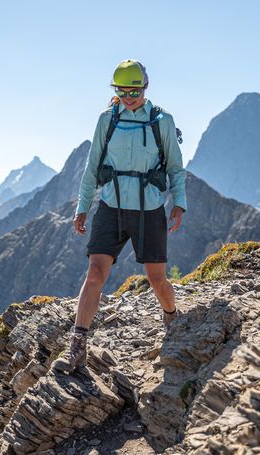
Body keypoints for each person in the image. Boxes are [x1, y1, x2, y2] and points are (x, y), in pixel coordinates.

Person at [53, 59, 187, 374]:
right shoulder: (107, 120)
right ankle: (77, 347)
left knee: (157, 279)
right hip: (110, 207)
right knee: (95, 274)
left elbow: (175, 168)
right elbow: (92, 164)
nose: (128, 96)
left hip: (149, 210)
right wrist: (82, 206)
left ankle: (171, 316)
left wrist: (178, 204)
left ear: (145, 87)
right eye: (122, 90)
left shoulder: (161, 121)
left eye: (134, 90)